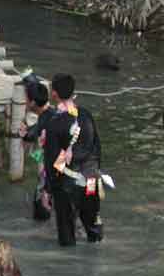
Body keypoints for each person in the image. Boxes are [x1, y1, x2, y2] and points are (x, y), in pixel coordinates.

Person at [43, 73, 104, 246]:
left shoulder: (54, 123)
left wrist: (48, 189)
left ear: (54, 94)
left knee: (67, 234)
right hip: (91, 180)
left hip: (67, 185)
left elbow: (52, 161)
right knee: (93, 226)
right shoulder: (86, 115)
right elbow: (96, 148)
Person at [19, 77, 55, 221]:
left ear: (33, 102)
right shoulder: (51, 114)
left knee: (41, 212)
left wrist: (25, 136)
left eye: (26, 99)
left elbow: (31, 141)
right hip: (59, 173)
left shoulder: (44, 121)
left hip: (49, 176)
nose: (25, 102)